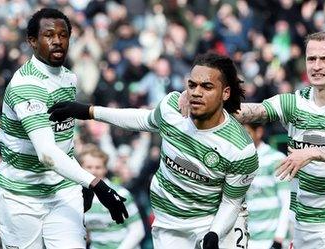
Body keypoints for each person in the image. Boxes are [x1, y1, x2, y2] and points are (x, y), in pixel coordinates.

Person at [181, 31, 325, 249]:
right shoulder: (294, 103)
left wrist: (314, 152)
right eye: (311, 59)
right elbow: (251, 111)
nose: (316, 66)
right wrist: (203, 101)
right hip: (306, 226)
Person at [48, 52, 258, 249]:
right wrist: (89, 111)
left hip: (213, 222)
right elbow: (142, 119)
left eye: (207, 86)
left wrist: (214, 234)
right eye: (192, 85)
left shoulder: (240, 149)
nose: (196, 92)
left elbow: (231, 202)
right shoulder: (172, 110)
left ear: (226, 92)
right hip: (168, 224)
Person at [0, 8, 127, 248]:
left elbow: (63, 139)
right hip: (21, 197)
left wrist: (76, 180)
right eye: (48, 35)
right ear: (32, 41)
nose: (57, 41)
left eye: (63, 34)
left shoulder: (69, 78)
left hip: (63, 190)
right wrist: (94, 184)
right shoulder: (27, 85)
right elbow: (47, 153)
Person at [80, 145, 145, 249]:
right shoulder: (78, 197)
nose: (93, 171)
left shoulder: (121, 194)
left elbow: (137, 230)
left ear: (105, 169)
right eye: (89, 167)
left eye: (98, 167)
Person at [244, 123, 291, 249]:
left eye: (246, 133)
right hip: (247, 240)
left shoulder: (276, 159)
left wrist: (279, 238)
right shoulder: (237, 161)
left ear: (258, 132)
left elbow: (287, 202)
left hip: (271, 240)